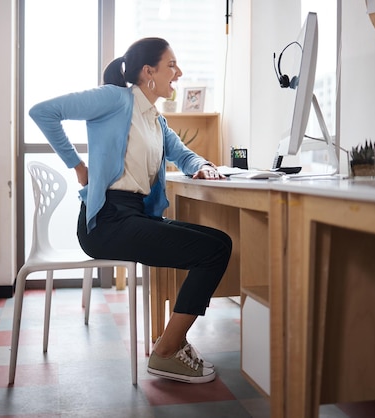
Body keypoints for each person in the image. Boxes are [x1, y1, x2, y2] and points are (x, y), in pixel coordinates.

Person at [29, 37, 232, 384]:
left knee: (220, 242)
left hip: (133, 216)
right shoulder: (115, 98)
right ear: (147, 72)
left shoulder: (156, 120)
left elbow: (184, 155)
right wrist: (78, 166)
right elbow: (42, 112)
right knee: (212, 252)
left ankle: (172, 343)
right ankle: (167, 351)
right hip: (106, 222)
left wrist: (202, 165)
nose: (178, 73)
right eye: (172, 65)